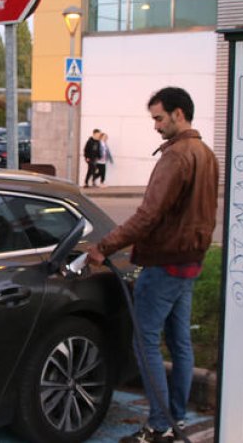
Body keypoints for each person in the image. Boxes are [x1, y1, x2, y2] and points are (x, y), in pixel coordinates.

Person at [85, 87, 218, 443]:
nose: (156, 126)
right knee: (180, 343)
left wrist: (104, 246)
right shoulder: (206, 154)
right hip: (189, 262)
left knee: (144, 342)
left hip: (164, 263)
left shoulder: (176, 157)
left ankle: (159, 427)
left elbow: (147, 216)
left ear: (178, 114)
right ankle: (175, 420)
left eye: (159, 118)